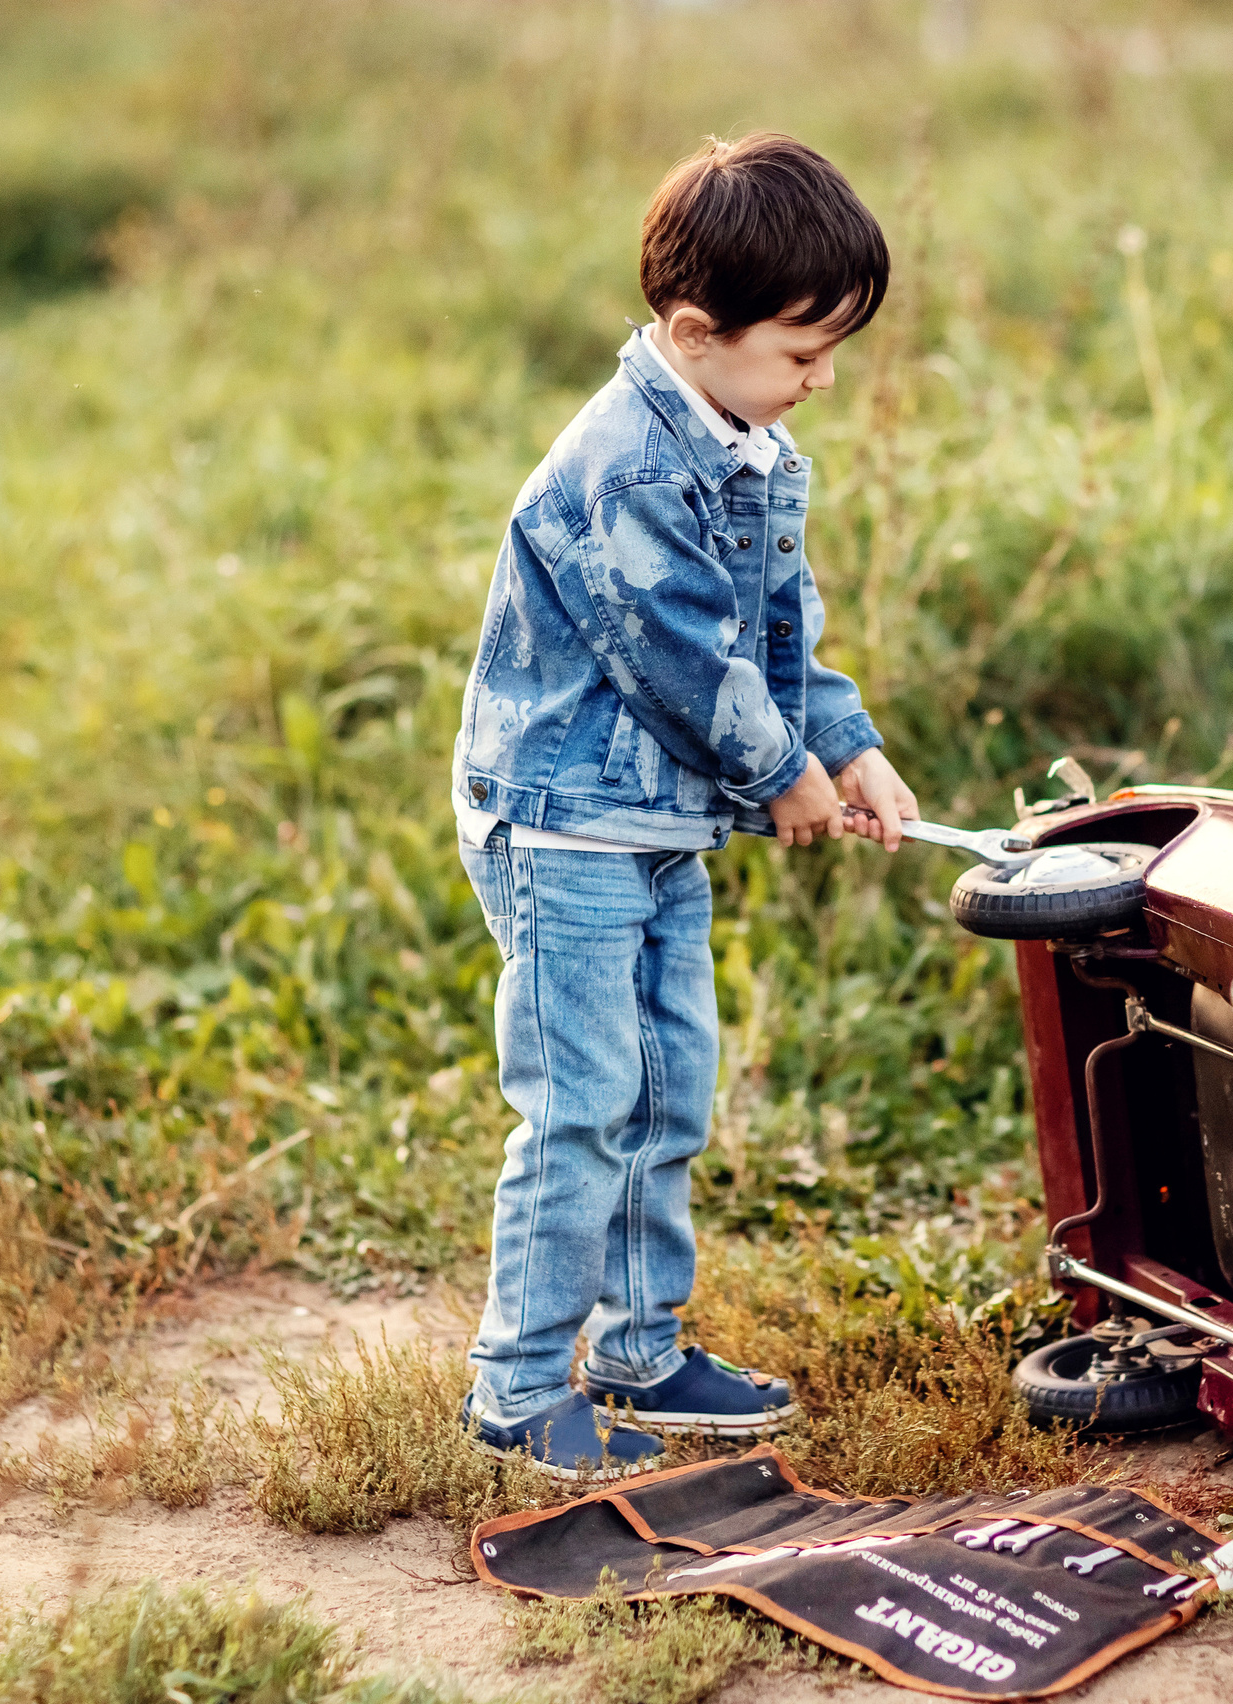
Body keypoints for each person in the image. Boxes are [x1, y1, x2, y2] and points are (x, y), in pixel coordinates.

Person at [450, 132, 919, 1480]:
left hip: (655, 826)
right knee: (584, 1100)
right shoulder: (634, 469)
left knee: (669, 1091)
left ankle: (639, 1348)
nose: (821, 381)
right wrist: (784, 779)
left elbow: (776, 632)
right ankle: (518, 1387)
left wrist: (847, 743)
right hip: (564, 825)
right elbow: (678, 655)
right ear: (695, 330)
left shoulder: (753, 441)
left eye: (834, 352)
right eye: (801, 352)